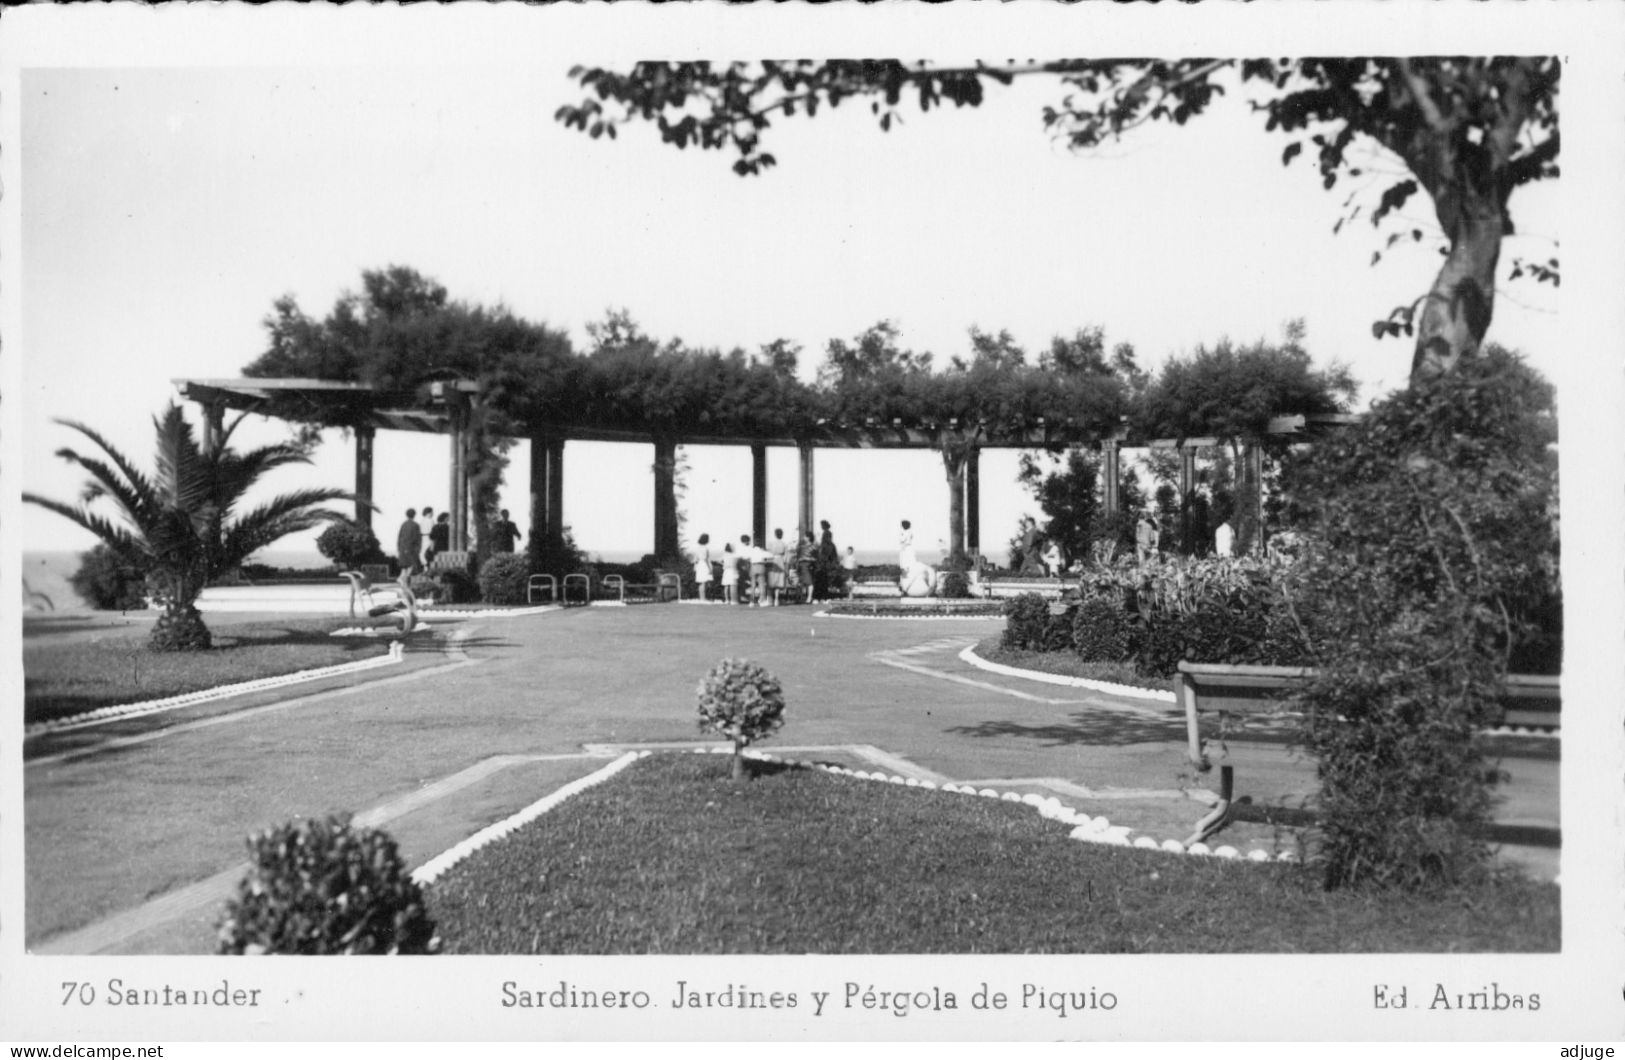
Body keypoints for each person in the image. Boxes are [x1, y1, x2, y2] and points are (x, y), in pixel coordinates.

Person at [396, 508, 423, 576]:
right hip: (411, 548)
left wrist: (399, 547)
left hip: (403, 547)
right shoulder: (415, 525)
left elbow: (399, 536)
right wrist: (418, 548)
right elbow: (417, 538)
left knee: (405, 566)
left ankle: (402, 579)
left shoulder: (404, 524)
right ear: (414, 515)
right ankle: (404, 579)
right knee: (413, 565)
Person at [744, 534, 769, 606]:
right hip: (761, 566)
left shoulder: (751, 551)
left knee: (753, 585)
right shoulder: (762, 551)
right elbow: (770, 556)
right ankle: (762, 600)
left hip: (753, 566)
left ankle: (751, 601)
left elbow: (746, 558)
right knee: (761, 584)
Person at [768, 528, 789, 604]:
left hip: (773, 561)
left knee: (771, 580)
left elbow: (769, 553)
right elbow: (786, 556)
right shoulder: (784, 544)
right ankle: (777, 599)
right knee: (779, 580)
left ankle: (770, 599)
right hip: (780, 561)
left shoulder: (771, 543)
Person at [692, 533, 713, 601]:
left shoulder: (697, 548)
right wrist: (710, 568)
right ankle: (703, 598)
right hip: (704, 565)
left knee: (701, 582)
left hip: (699, 565)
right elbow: (706, 559)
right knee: (704, 582)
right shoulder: (705, 548)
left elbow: (695, 559)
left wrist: (695, 566)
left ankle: (701, 597)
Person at [720, 541, 739, 605]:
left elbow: (721, 561)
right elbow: (735, 564)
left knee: (726, 586)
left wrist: (724, 565)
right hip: (732, 570)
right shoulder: (733, 556)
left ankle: (727, 600)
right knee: (732, 585)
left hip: (726, 571)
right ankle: (733, 600)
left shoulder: (724, 555)